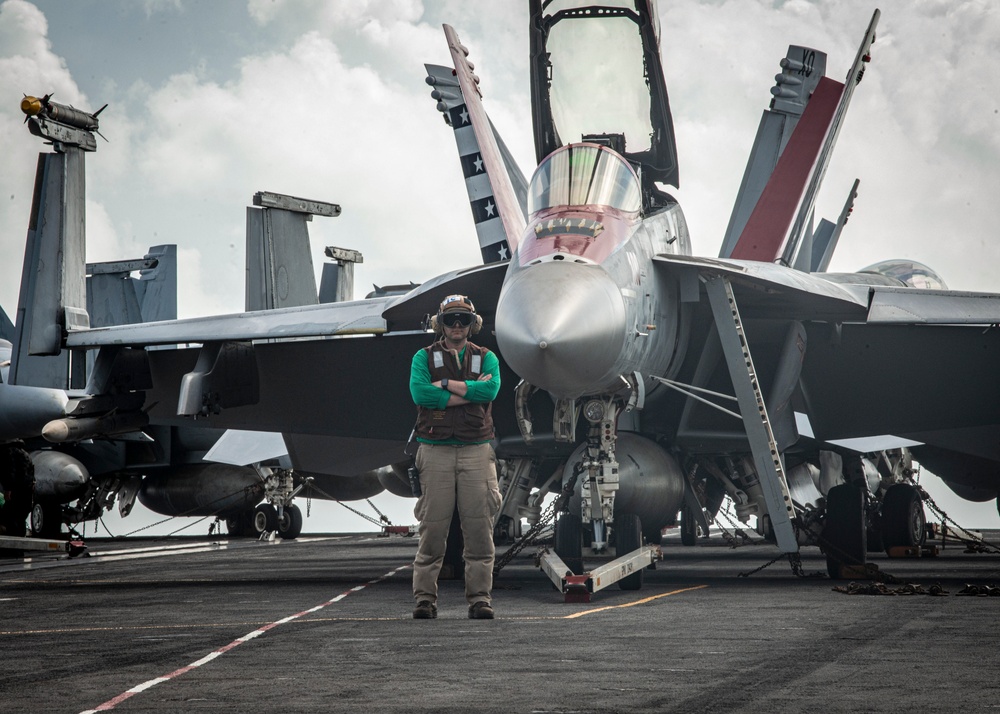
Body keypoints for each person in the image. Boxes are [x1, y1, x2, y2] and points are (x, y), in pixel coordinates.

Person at [409, 294, 501, 620]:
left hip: (476, 450)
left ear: (472, 324)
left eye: (463, 319)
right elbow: (420, 393)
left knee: (479, 530)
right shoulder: (423, 357)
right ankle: (424, 600)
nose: (458, 325)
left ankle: (480, 600)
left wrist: (446, 385)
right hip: (434, 451)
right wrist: (468, 392)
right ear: (441, 324)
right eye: (451, 320)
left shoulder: (486, 357)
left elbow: (491, 392)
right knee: (432, 530)